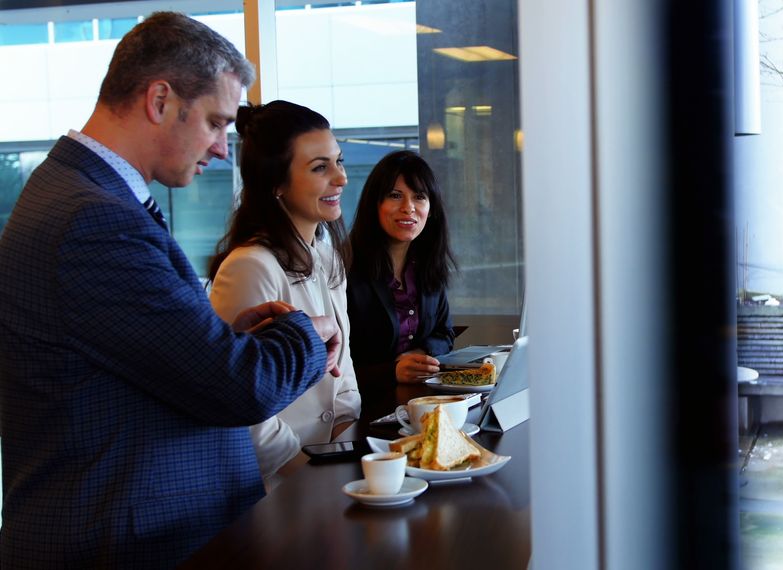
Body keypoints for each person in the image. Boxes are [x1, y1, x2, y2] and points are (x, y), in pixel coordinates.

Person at [0, 13, 341, 568]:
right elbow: (238, 389)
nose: (223, 150)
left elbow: (127, 353)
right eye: (215, 122)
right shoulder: (93, 218)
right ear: (160, 101)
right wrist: (306, 331)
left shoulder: (88, 196)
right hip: (125, 544)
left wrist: (222, 336)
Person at [208, 100, 360, 491]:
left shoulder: (325, 252)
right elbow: (242, 406)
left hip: (330, 472)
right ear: (275, 183)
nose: (341, 178)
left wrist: (343, 455)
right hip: (276, 487)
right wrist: (308, 473)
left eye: (339, 162)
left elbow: (342, 376)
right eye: (320, 167)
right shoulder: (250, 267)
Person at [346, 150, 457, 393]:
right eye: (395, 196)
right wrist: (392, 371)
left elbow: (444, 332)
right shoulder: (346, 267)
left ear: (431, 208)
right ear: (375, 204)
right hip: (359, 407)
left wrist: (421, 353)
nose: (408, 208)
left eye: (419, 197)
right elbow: (331, 365)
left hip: (417, 400)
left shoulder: (427, 263)